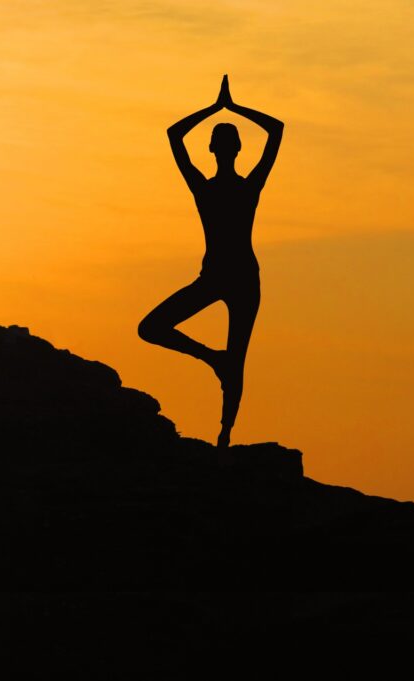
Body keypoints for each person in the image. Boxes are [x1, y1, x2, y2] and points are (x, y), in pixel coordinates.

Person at [138, 74, 284, 448]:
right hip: (218, 275)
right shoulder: (221, 187)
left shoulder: (229, 187)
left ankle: (224, 435)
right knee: (152, 328)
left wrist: (220, 108)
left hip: (240, 277)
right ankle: (214, 365)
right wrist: (227, 107)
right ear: (231, 149)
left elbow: (175, 135)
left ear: (218, 148)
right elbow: (275, 130)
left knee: (236, 357)